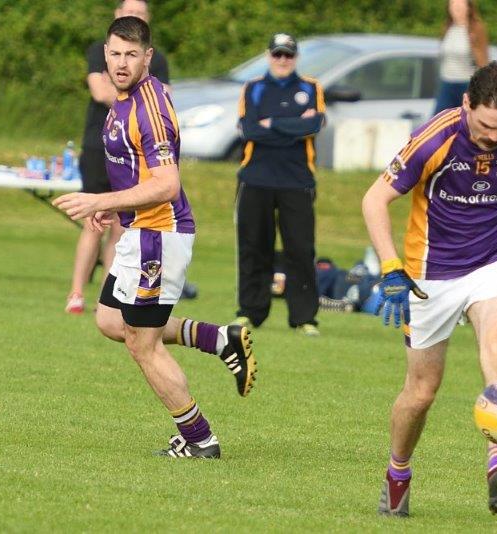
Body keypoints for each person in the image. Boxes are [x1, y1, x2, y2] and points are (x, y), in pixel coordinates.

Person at [52, 17, 256, 458]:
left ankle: (200, 439)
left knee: (142, 344)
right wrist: (114, 206)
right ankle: (220, 339)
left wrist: (98, 200)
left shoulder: (149, 109)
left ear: (148, 57)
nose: (121, 63)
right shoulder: (126, 96)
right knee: (109, 320)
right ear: (104, 53)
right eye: (114, 53)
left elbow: (167, 183)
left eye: (131, 55)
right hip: (138, 231)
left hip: (158, 236)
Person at [363, 62, 497, 517]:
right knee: (422, 392)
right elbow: (374, 200)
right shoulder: (436, 137)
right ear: (466, 103)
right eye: (485, 125)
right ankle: (398, 474)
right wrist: (390, 268)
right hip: (430, 275)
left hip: (493, 262)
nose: (492, 136)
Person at [66, 0, 170, 314]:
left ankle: (106, 297)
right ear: (116, 15)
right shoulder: (99, 49)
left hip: (134, 154)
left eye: (139, 14)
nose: (121, 62)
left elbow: (162, 96)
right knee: (92, 221)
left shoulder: (159, 59)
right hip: (101, 148)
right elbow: (99, 91)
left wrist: (123, 92)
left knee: (120, 227)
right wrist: (132, 93)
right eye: (128, 12)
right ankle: (76, 293)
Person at [234, 33, 326, 336]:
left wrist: (271, 123)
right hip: (255, 178)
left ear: (296, 58)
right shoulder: (254, 88)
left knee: (299, 249)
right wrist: (292, 126)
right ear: (268, 56)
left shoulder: (310, 87)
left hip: (297, 179)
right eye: (277, 55)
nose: (283, 60)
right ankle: (250, 312)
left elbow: (313, 125)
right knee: (254, 247)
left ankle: (304, 318)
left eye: (288, 55)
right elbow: (249, 131)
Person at [433, 0, 488, 114]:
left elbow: (483, 59)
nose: (456, 7)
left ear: (468, 7)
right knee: (439, 119)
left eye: (460, 4)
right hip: (447, 81)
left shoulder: (475, 28)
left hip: (466, 83)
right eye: (453, 4)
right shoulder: (448, 27)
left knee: (467, 120)